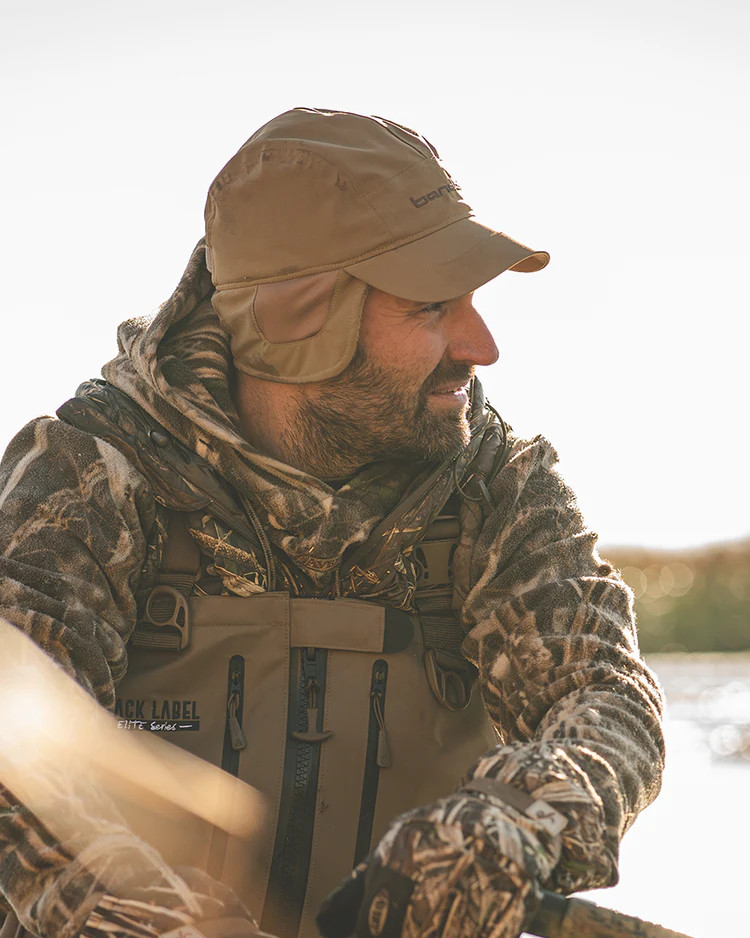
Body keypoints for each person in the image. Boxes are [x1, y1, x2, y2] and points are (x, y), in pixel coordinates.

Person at [0, 108, 664, 938]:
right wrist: (132, 915)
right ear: (302, 325)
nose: (482, 344)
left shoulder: (498, 484)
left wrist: (513, 821)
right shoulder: (84, 477)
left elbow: (606, 698)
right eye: (431, 307)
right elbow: (13, 758)